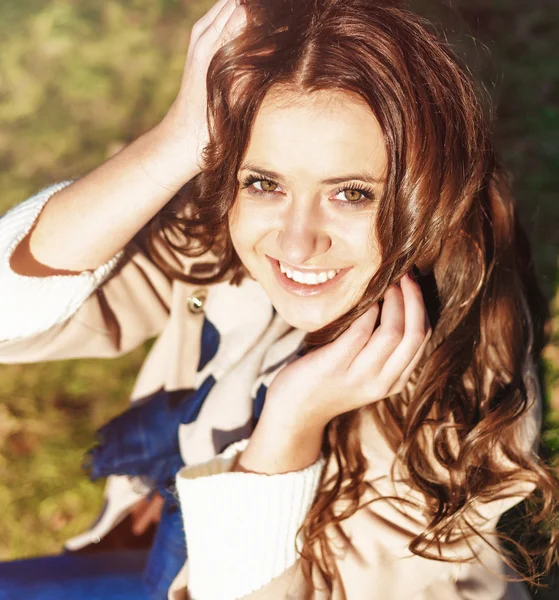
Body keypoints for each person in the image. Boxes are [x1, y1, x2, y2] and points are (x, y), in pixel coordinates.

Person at [0, 0, 557, 598]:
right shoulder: (226, 233)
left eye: (351, 194)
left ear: (427, 196)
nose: (296, 240)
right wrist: (174, 143)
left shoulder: (450, 415)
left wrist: (291, 426)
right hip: (171, 548)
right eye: (265, 181)